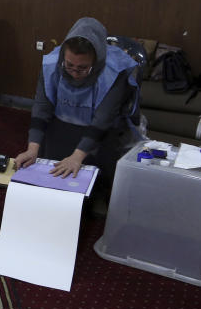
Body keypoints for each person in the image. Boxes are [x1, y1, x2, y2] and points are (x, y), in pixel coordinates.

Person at [13, 17, 140, 197]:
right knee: (50, 177)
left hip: (101, 132)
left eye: (82, 68)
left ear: (96, 61)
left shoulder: (114, 71)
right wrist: (32, 149)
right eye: (69, 65)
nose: (74, 73)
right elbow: (42, 107)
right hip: (62, 124)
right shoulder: (51, 64)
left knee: (89, 183)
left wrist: (78, 156)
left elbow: (103, 119)